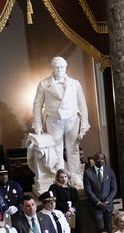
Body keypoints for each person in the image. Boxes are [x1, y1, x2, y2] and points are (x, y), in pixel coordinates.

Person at [31, 56, 90, 186]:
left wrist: (84, 124)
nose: (59, 69)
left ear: (66, 67)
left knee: (73, 148)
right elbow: (37, 105)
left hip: (72, 118)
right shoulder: (44, 84)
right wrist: (37, 125)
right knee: (56, 149)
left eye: (61, 66)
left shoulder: (75, 83)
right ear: (52, 68)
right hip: (53, 119)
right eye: (56, 67)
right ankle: (61, 177)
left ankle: (75, 176)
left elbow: (82, 104)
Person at [49, 169, 79, 233]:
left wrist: (72, 209)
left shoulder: (72, 188)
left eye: (65, 176)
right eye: (61, 177)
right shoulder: (54, 187)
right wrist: (67, 209)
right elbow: (54, 201)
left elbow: (76, 201)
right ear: (58, 178)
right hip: (61, 215)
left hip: (73, 214)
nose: (64, 179)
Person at [83, 152, 118, 232]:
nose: (100, 160)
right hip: (96, 206)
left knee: (109, 228)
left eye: (102, 159)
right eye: (98, 159)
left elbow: (114, 189)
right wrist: (98, 203)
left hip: (108, 206)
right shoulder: (88, 172)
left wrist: (107, 201)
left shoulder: (109, 171)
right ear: (94, 160)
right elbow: (88, 190)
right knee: (100, 229)